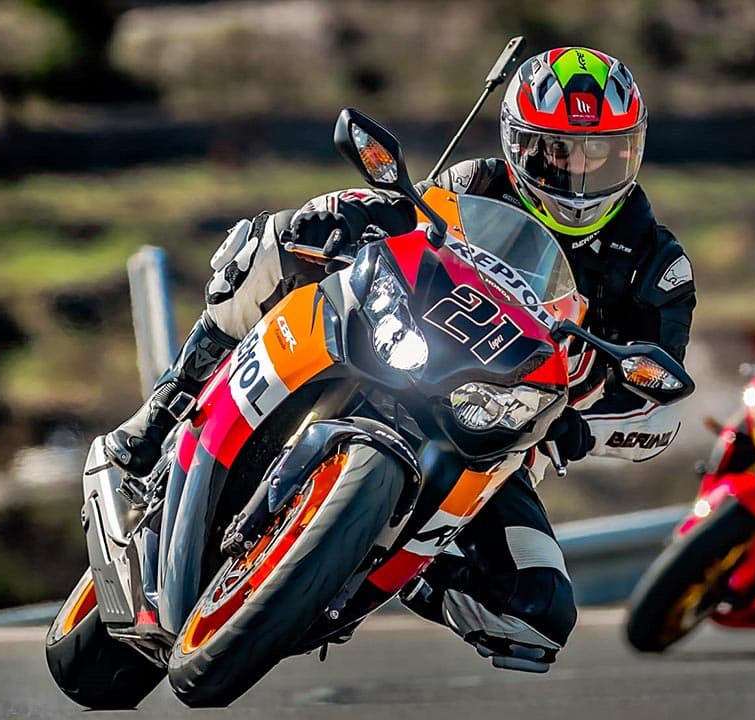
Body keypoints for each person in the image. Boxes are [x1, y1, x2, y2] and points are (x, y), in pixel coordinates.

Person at [104, 47, 696, 672]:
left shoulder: (656, 264)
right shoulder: (475, 184)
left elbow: (661, 403)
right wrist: (336, 223)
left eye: (601, 153)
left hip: (494, 437)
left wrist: (584, 426)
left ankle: (386, 562)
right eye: (558, 152)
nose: (579, 172)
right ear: (518, 144)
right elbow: (403, 220)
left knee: (538, 613)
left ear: (632, 151)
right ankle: (165, 409)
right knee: (272, 243)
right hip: (401, 352)